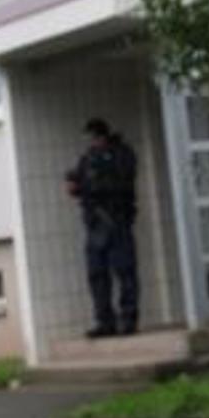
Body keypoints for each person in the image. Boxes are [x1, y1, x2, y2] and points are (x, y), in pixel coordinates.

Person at [66, 118, 139, 338]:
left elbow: (120, 183)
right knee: (97, 274)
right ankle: (105, 322)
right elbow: (79, 183)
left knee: (124, 271)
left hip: (116, 220)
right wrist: (75, 184)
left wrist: (91, 185)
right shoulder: (88, 158)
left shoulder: (121, 154)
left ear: (102, 136)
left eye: (94, 137)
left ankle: (128, 319)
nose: (91, 142)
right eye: (89, 138)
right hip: (95, 223)